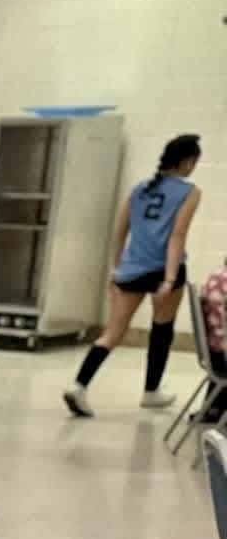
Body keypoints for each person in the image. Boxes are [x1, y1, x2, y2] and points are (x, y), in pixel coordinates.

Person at [65, 132, 203, 417]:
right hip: (165, 268)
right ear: (187, 162)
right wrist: (169, 278)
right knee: (162, 329)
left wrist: (116, 268)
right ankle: (151, 391)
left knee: (112, 333)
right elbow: (178, 235)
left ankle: (79, 385)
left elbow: (120, 231)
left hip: (131, 269)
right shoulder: (190, 192)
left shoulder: (139, 189)